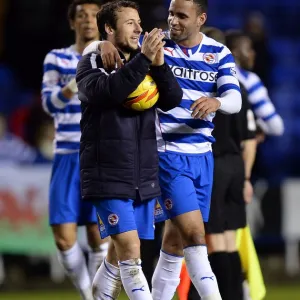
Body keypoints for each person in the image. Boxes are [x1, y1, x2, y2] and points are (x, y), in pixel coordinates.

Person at [83, 1, 242, 299]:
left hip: (203, 155)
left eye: (182, 15)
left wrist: (218, 102)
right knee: (195, 236)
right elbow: (118, 41)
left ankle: (106, 291)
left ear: (201, 18)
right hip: (166, 153)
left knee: (173, 245)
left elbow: (235, 99)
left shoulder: (218, 52)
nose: (173, 21)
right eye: (171, 14)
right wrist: (100, 42)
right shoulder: (157, 44)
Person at [76, 1, 183, 299]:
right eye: (130, 23)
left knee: (116, 255)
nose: (139, 28)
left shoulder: (144, 62)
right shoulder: (91, 63)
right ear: (109, 29)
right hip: (107, 173)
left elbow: (173, 98)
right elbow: (110, 92)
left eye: (139, 22)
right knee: (132, 253)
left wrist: (158, 64)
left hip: (143, 175)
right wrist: (144, 59)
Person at [41, 1, 107, 299]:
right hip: (67, 155)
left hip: (99, 154)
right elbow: (49, 104)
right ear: (72, 23)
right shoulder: (56, 58)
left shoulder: (110, 55)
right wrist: (74, 83)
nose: (88, 20)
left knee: (97, 234)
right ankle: (86, 292)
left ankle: (96, 295)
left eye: (94, 15)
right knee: (64, 239)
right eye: (81, 16)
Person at [186, 27, 257, 300]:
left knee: (213, 241)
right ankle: (237, 296)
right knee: (229, 240)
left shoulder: (201, 86)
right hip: (236, 168)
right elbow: (249, 139)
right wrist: (247, 177)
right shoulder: (238, 90)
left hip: (212, 166)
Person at [225, 30, 284, 137]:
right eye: (248, 49)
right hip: (237, 148)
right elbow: (276, 126)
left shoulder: (210, 74)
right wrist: (257, 125)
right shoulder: (249, 80)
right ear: (235, 52)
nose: (253, 53)